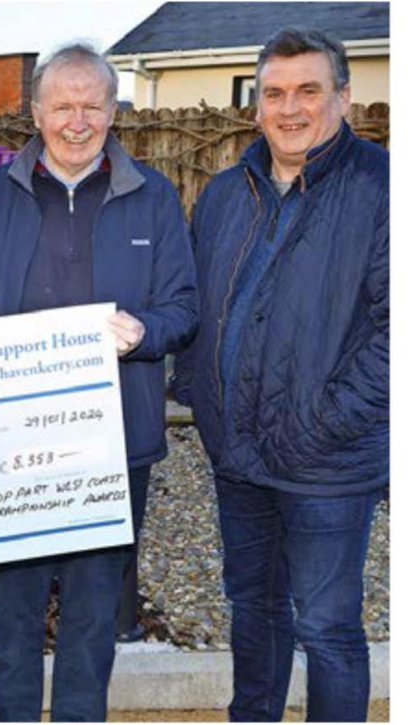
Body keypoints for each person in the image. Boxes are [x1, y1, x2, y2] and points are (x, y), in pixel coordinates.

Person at [0, 44, 197, 721]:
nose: (77, 120)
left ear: (115, 111)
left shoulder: (154, 197)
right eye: (62, 105)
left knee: (93, 620)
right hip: (14, 445)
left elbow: (185, 307)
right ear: (35, 111)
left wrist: (143, 329)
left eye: (93, 105)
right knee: (12, 615)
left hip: (117, 443)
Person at [173, 27, 387, 722]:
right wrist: (206, 401)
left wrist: (324, 419)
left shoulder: (381, 190)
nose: (289, 108)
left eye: (308, 91)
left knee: (326, 627)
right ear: (256, 104)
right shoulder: (227, 192)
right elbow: (201, 303)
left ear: (345, 99)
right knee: (254, 611)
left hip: (325, 462)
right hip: (237, 455)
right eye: (274, 93)